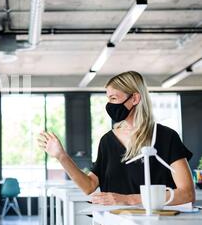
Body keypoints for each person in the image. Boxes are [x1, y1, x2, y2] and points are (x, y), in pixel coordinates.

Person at [38, 71, 195, 206]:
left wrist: (129, 199)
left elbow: (187, 193)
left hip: (155, 224)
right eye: (108, 98)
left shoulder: (166, 137)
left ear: (134, 98)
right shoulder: (107, 141)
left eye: (114, 98)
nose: (109, 104)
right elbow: (89, 186)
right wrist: (61, 156)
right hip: (114, 224)